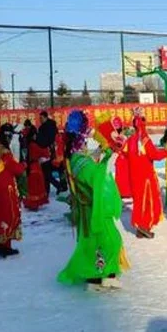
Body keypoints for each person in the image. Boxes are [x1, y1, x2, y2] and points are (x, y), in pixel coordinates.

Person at [58, 109, 129, 289]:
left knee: (95, 243)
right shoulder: (80, 162)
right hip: (93, 209)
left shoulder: (76, 157)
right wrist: (108, 157)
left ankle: (101, 275)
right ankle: (98, 276)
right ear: (80, 138)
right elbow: (96, 176)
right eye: (86, 134)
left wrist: (104, 151)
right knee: (110, 240)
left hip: (89, 208)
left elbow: (91, 161)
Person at [126, 109, 167, 239]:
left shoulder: (131, 140)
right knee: (148, 202)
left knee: (138, 201)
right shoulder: (144, 139)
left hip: (134, 176)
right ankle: (145, 225)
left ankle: (139, 228)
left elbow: (124, 154)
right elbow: (154, 155)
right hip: (146, 177)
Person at [0, 123, 27, 258]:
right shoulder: (5, 152)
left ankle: (0, 241)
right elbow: (14, 168)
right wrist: (23, 166)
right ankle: (3, 243)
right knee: (9, 212)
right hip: (7, 186)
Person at [23, 123, 50, 210]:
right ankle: (34, 204)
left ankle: (32, 203)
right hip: (35, 167)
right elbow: (42, 152)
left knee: (32, 186)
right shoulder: (33, 145)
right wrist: (47, 148)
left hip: (32, 166)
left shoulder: (29, 144)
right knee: (36, 186)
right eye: (35, 134)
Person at [36, 110, 59, 196]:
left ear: (45, 117)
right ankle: (54, 187)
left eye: (41, 118)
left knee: (46, 172)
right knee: (47, 172)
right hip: (53, 151)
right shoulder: (53, 125)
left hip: (47, 152)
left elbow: (45, 140)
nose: (40, 120)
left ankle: (56, 186)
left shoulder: (44, 128)